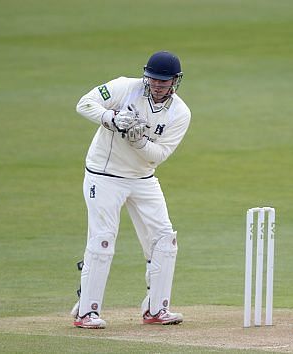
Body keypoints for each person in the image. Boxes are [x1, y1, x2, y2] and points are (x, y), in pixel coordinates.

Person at [70, 51, 192, 329]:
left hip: (143, 177)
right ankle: (86, 312)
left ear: (176, 81)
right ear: (146, 76)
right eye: (154, 79)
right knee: (103, 239)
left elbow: (157, 155)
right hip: (104, 174)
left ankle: (156, 309)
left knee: (165, 239)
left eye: (165, 81)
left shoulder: (180, 112)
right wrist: (111, 119)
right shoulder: (124, 86)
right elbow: (84, 103)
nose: (158, 85)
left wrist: (138, 141)